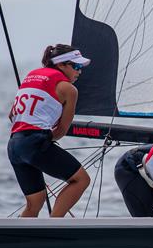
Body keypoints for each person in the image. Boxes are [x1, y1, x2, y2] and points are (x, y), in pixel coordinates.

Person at [7, 44, 92, 217]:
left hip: (14, 145)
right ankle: (55, 225)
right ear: (61, 65)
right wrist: (44, 139)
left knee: (35, 202)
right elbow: (61, 130)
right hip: (34, 143)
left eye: (81, 67)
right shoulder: (69, 89)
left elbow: (12, 116)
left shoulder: (31, 76)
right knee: (81, 180)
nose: (79, 71)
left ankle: (20, 237)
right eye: (76, 66)